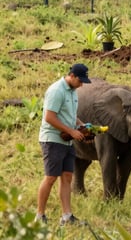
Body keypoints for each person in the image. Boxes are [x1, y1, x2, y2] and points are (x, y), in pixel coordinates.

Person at [36, 63, 91, 227]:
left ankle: (67, 216)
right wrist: (72, 131)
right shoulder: (56, 91)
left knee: (67, 177)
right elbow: (50, 118)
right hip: (52, 139)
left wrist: (83, 127)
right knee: (51, 177)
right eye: (80, 81)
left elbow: (71, 116)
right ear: (72, 76)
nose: (82, 84)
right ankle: (40, 216)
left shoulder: (73, 92)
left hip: (66, 140)